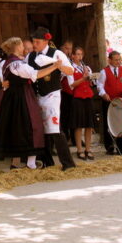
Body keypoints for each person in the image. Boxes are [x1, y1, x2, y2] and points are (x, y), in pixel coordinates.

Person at [0, 37, 62, 169]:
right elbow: (35, 74)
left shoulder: (9, 62)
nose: (23, 48)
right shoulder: (16, 64)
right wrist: (54, 66)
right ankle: (29, 163)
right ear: (16, 47)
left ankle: (24, 163)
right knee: (31, 126)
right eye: (21, 45)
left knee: (21, 129)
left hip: (14, 98)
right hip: (21, 98)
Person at [26, 27, 76, 170]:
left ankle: (68, 163)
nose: (34, 44)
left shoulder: (57, 53)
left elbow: (70, 71)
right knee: (39, 129)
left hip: (51, 94)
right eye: (33, 41)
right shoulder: (29, 56)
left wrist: (59, 66)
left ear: (46, 41)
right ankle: (47, 162)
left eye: (37, 42)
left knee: (54, 128)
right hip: (36, 95)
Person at [97, 51, 122, 155]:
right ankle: (109, 146)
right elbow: (100, 85)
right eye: (116, 60)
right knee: (109, 123)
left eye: (119, 60)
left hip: (121, 101)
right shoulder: (104, 72)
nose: (118, 62)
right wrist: (103, 94)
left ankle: (121, 147)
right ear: (110, 60)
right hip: (109, 101)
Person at [68, 47, 95, 160]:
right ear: (72, 56)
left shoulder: (86, 67)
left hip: (88, 97)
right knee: (78, 125)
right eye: (77, 54)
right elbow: (71, 84)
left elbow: (92, 84)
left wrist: (91, 78)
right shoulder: (70, 68)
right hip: (77, 98)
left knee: (89, 125)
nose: (79, 57)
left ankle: (88, 149)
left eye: (81, 54)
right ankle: (79, 149)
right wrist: (83, 78)